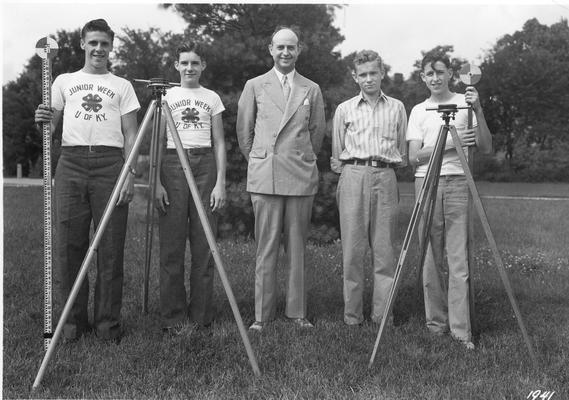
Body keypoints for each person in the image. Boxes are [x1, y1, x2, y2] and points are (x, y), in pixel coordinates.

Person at [34, 19, 140, 343]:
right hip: (71, 163)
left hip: (111, 165)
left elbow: (132, 134)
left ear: (111, 47)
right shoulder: (63, 81)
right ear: (82, 43)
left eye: (104, 44)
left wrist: (130, 174)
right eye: (92, 42)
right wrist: (41, 120)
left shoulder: (122, 86)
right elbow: (48, 129)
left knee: (110, 249)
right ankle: (71, 326)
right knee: (68, 248)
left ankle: (108, 326)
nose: (98, 49)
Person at [236, 26, 326, 332]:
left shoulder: (311, 88)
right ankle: (262, 316)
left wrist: (300, 156)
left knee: (298, 247)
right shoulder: (255, 85)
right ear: (270, 50)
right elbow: (244, 132)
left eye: (291, 47)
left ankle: (297, 313)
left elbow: (317, 132)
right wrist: (262, 160)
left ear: (299, 50)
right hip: (266, 176)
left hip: (300, 174)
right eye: (280, 48)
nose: (285, 53)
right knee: (266, 246)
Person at [406, 53, 492, 350]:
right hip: (426, 183)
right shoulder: (419, 110)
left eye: (440, 72)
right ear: (422, 77)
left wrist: (478, 109)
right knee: (430, 256)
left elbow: (486, 147)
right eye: (429, 73)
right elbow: (413, 156)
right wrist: (451, 144)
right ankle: (436, 323)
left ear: (450, 73)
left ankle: (461, 330)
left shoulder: (465, 103)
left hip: (458, 183)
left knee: (458, 260)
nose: (434, 78)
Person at [154, 43, 227, 334]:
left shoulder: (212, 97)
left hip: (204, 163)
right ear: (176, 66)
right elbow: (158, 142)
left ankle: (201, 315)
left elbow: (220, 142)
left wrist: (220, 182)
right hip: (172, 164)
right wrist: (157, 181)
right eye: (184, 63)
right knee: (171, 245)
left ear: (203, 66)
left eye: (195, 63)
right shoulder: (166, 97)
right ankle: (173, 317)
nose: (189, 68)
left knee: (204, 243)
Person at [331, 50, 408, 327]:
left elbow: (401, 148)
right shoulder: (345, 109)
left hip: (385, 176)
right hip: (353, 174)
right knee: (352, 250)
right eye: (362, 74)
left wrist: (383, 170)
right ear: (355, 77)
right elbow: (336, 151)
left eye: (373, 73)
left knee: (384, 249)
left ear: (382, 73)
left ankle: (382, 315)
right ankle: (352, 316)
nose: (368, 79)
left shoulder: (397, 107)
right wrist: (352, 173)